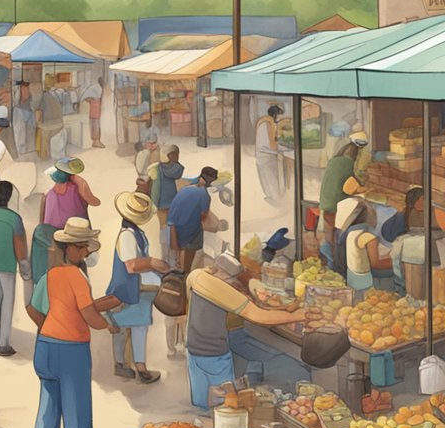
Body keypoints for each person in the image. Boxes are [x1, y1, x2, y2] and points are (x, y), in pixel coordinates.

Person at [23, 217, 119, 428]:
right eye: (83, 247)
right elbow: (88, 315)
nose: (87, 252)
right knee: (78, 419)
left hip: (46, 347)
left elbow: (34, 309)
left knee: (48, 413)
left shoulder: (50, 275)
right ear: (72, 249)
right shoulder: (77, 277)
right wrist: (108, 326)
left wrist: (52, 325)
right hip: (71, 351)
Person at [185, 253, 306, 410]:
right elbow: (258, 316)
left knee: (200, 400)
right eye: (229, 279)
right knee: (228, 404)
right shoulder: (219, 288)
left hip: (193, 348)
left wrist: (282, 308)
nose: (231, 284)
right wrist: (297, 315)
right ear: (220, 272)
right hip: (215, 353)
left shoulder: (196, 276)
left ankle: (207, 419)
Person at [106, 192, 167, 384]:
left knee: (139, 325)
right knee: (125, 325)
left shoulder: (135, 233)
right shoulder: (126, 236)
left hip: (137, 286)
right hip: (128, 286)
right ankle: (123, 365)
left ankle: (137, 366)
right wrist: (153, 263)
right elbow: (131, 266)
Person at [0, 181, 28, 357]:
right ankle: (4, 343)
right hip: (7, 264)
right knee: (7, 302)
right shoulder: (14, 218)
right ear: (9, 197)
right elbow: (19, 247)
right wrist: (25, 268)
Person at [318, 133, 368, 263]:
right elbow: (350, 187)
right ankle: (337, 262)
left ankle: (328, 256)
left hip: (325, 203)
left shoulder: (335, 160)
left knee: (329, 235)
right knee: (342, 235)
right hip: (337, 205)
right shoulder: (349, 164)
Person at [335, 199, 393, 294]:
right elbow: (376, 264)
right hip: (366, 284)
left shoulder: (350, 234)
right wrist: (395, 262)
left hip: (352, 280)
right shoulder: (367, 236)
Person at [169, 167, 216, 273]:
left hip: (176, 227)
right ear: (210, 181)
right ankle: (186, 273)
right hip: (190, 232)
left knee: (180, 257)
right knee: (190, 259)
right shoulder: (204, 195)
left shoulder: (185, 189)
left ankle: (181, 269)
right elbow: (203, 217)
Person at [149, 144, 184, 261]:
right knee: (171, 229)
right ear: (170, 155)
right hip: (171, 203)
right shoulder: (174, 168)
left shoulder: (159, 168)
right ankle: (172, 256)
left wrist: (154, 203)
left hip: (162, 204)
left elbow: (155, 188)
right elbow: (178, 172)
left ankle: (166, 256)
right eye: (175, 154)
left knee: (164, 228)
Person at [255, 104, 285, 204]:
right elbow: (266, 144)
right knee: (269, 179)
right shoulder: (266, 125)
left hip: (266, 156)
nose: (280, 118)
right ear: (275, 114)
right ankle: (275, 199)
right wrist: (278, 150)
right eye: (279, 115)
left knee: (269, 178)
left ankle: (274, 198)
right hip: (265, 156)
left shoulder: (269, 124)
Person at [38, 86, 66, 160]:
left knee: (45, 138)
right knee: (56, 138)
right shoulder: (60, 94)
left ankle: (46, 156)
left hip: (48, 124)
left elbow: (40, 108)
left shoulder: (44, 96)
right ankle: (56, 156)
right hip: (59, 122)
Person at [81, 76, 106, 148]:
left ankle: (95, 141)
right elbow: (88, 98)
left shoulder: (96, 88)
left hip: (94, 110)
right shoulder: (98, 88)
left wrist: (91, 100)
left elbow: (87, 98)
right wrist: (93, 100)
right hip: (95, 110)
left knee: (93, 125)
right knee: (95, 125)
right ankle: (96, 141)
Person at [13, 80, 36, 155]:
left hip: (27, 115)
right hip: (20, 115)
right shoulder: (17, 91)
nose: (26, 90)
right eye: (24, 88)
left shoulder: (28, 94)